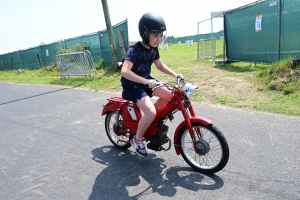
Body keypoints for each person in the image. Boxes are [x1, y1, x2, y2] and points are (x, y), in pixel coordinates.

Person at [121, 12, 183, 157]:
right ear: (144, 33)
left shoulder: (153, 49)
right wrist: (145, 81)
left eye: (160, 35)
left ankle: (150, 118)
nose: (158, 39)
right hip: (132, 85)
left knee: (171, 95)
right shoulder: (134, 50)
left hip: (146, 81)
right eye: (155, 35)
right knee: (150, 111)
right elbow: (124, 71)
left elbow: (160, 66)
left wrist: (175, 74)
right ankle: (137, 139)